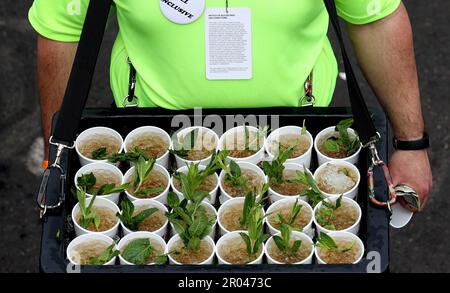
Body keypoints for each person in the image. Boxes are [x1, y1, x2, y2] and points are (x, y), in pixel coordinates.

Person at [28, 0, 431, 211]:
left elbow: (374, 17)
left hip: (296, 141)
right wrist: (57, 161)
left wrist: (411, 144)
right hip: (154, 145)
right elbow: (62, 31)